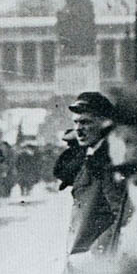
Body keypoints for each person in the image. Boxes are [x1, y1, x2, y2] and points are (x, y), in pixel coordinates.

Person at [54, 91, 124, 255]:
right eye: (76, 122)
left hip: (96, 261)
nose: (78, 129)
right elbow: (63, 172)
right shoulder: (90, 154)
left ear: (105, 124)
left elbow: (122, 217)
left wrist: (94, 253)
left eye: (85, 122)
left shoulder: (109, 162)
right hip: (80, 254)